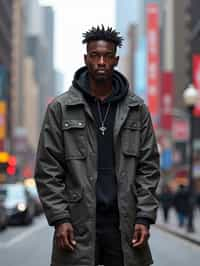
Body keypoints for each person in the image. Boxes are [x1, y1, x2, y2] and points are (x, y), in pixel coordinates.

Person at [35, 25, 160, 266]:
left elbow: (149, 167)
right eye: (94, 55)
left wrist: (144, 217)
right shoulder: (60, 109)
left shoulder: (137, 109)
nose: (101, 61)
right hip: (77, 226)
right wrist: (60, 219)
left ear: (116, 60)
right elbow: (47, 169)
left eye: (107, 56)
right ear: (86, 58)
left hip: (124, 224)